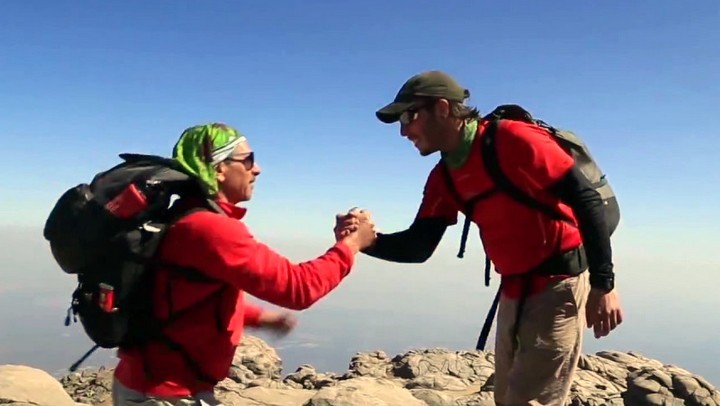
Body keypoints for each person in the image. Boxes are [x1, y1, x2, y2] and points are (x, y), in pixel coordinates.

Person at [335, 71, 624, 405]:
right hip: (513, 290)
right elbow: (419, 246)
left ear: (443, 108)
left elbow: (585, 200)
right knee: (506, 398)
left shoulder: (513, 139)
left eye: (409, 115)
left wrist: (603, 285)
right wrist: (362, 242)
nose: (403, 130)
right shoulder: (444, 177)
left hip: (559, 286)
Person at [112, 123, 376, 406]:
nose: (257, 168)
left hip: (149, 384)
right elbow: (298, 288)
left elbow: (184, 297)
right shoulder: (211, 229)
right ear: (218, 169)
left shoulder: (184, 217)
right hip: (168, 393)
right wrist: (350, 246)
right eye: (248, 159)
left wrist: (259, 318)